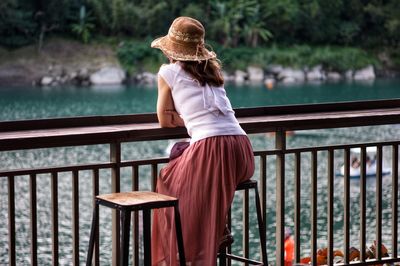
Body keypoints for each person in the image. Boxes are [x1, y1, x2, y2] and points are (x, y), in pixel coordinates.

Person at [150, 17, 255, 265]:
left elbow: (164, 119)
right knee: (196, 177)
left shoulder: (168, 72)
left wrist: (185, 119)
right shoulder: (213, 73)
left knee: (169, 181)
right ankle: (218, 230)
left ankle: (189, 253)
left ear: (170, 51)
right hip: (242, 151)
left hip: (213, 150)